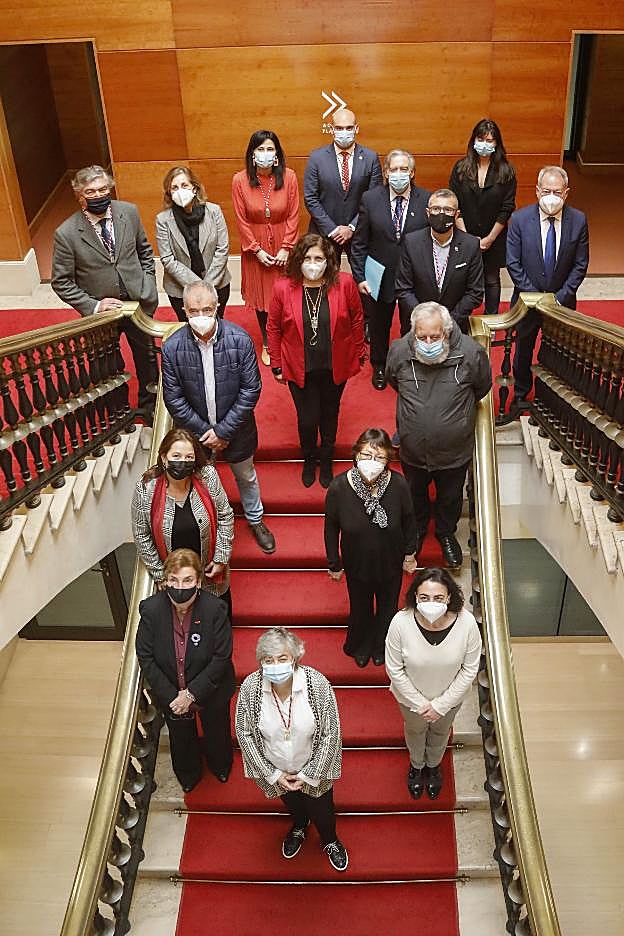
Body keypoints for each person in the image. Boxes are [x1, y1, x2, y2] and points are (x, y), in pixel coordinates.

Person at [161, 281, 276, 554]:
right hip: (195, 435)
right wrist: (206, 433)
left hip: (237, 430)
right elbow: (173, 399)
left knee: (246, 476)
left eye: (206, 309)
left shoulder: (240, 340)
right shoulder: (172, 347)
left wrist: (223, 431)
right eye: (193, 311)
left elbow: (251, 389)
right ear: (184, 310)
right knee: (199, 481)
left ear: (217, 308)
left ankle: (255, 520)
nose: (200, 316)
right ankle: (209, 526)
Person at [385, 302, 492, 569]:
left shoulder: (471, 353)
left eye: (435, 336)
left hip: (454, 453)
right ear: (413, 332)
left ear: (447, 331)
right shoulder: (399, 351)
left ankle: (446, 533)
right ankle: (419, 529)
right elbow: (393, 381)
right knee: (415, 493)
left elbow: (482, 386)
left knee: (450, 496)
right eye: (422, 337)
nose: (428, 342)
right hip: (412, 449)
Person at [235, 627, 347, 871]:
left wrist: (308, 774)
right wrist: (273, 774)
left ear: (295, 658)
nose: (275, 665)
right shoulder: (250, 687)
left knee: (323, 810)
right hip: (277, 770)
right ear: (261, 662)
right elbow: (244, 734)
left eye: (282, 659)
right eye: (269, 660)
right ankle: (299, 826)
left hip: (315, 769)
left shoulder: (316, 684)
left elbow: (331, 733)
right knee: (292, 805)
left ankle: (330, 840)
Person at [51, 165, 158, 420]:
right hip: (101, 312)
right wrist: (94, 305)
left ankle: (150, 406)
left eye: (103, 189)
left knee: (148, 360)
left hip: (138, 302)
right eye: (91, 191)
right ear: (80, 196)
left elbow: (145, 251)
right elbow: (61, 281)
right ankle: (117, 413)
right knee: (105, 365)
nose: (98, 195)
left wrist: (148, 284)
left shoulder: (128, 212)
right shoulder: (66, 233)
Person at [268, 234, 366, 488]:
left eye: (319, 258)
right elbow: (274, 328)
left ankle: (326, 459)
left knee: (330, 415)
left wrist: (359, 352)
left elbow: (357, 319)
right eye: (308, 258)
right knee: (307, 419)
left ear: (329, 261)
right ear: (299, 259)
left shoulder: (344, 284)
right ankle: (309, 458)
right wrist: (276, 363)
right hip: (299, 366)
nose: (313, 263)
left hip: (334, 365)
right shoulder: (282, 288)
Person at [136, 548, 236, 793]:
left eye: (188, 580)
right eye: (174, 580)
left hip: (211, 689)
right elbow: (146, 656)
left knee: (216, 730)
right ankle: (188, 773)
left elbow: (221, 656)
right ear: (166, 580)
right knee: (181, 737)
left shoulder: (215, 610)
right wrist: (173, 696)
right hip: (171, 692)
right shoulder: (151, 610)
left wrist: (191, 694)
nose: (180, 586)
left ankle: (220, 764)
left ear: (199, 582)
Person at [324, 428, 419, 668]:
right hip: (357, 563)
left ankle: (380, 645)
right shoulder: (338, 487)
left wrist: (410, 554)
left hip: (390, 561)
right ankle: (361, 645)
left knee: (388, 607)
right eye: (366, 455)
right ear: (356, 454)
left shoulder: (398, 485)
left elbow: (409, 520)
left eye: (379, 457)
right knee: (360, 607)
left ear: (388, 459)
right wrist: (334, 563)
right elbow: (331, 528)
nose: (372, 462)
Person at [385, 568, 481, 800]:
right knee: (415, 731)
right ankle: (417, 766)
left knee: (440, 732)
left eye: (438, 598)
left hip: (449, 700)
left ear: (449, 597)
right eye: (424, 597)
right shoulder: (401, 622)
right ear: (415, 597)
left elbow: (469, 669)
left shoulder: (466, 623)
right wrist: (420, 703)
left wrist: (440, 705)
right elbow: (394, 669)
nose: (431, 603)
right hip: (411, 701)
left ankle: (434, 766)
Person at [506, 165, 589, 412]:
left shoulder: (579, 220)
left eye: (556, 191)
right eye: (546, 190)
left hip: (562, 301)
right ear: (537, 191)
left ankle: (550, 397)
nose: (551, 196)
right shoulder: (520, 219)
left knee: (559, 352)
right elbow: (513, 262)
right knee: (523, 350)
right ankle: (521, 394)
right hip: (526, 301)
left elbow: (580, 264)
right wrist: (535, 297)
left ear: (566, 193)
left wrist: (559, 297)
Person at [351, 149, 431, 389]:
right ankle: (380, 365)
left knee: (410, 322)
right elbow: (360, 242)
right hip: (379, 274)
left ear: (412, 173)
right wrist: (360, 277)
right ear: (385, 173)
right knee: (378, 323)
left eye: (403, 169)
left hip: (413, 276)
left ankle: (406, 366)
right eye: (393, 169)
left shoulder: (426, 200)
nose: (398, 174)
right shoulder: (370, 199)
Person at [131, 427, 234, 610]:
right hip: (175, 581)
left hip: (210, 574)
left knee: (217, 623)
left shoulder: (207, 476)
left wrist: (220, 558)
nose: (183, 462)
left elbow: (225, 515)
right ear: (164, 457)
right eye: (176, 456)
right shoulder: (147, 488)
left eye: (189, 457)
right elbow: (141, 534)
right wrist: (160, 574)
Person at [232, 130, 299, 366]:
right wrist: (256, 250)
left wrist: (286, 248)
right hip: (255, 247)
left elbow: (293, 214)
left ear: (277, 155)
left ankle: (289, 338)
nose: (265, 154)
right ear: (252, 154)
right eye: (260, 149)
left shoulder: (289, 177)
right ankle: (269, 342)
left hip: (283, 242)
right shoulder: (239, 180)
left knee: (287, 293)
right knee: (262, 298)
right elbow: (241, 220)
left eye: (270, 149)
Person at [449, 119, 516, 316]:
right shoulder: (461, 168)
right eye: (481, 139)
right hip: (463, 233)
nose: (484, 144)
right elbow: (455, 203)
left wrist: (489, 239)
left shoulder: (506, 171)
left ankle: (491, 318)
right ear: (473, 141)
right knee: (462, 277)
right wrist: (468, 237)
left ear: (497, 144)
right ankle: (461, 316)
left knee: (491, 278)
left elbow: (507, 207)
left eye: (489, 140)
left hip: (493, 235)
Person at [395, 188, 484, 335]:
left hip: (455, 325)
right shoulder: (411, 242)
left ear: (457, 215)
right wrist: (425, 320)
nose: (441, 214)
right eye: (436, 209)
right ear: (427, 212)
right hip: (417, 325)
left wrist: (448, 321)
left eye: (448, 210)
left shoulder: (471, 245)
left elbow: (475, 292)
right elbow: (403, 289)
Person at [303, 108, 382, 263]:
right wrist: (332, 229)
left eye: (349, 128)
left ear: (356, 128)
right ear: (331, 130)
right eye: (339, 128)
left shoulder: (370, 158)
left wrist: (352, 227)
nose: (344, 132)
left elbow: (374, 199)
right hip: (324, 233)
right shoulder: (316, 158)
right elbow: (310, 198)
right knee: (324, 283)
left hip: (360, 232)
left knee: (366, 284)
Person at [156, 165, 231, 321]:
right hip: (179, 289)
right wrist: (197, 287)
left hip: (217, 283)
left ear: (195, 188)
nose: (180, 191)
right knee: (188, 331)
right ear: (169, 193)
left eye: (184, 185)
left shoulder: (214, 211)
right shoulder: (163, 220)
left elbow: (222, 249)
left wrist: (208, 286)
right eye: (174, 188)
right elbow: (168, 259)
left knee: (217, 326)